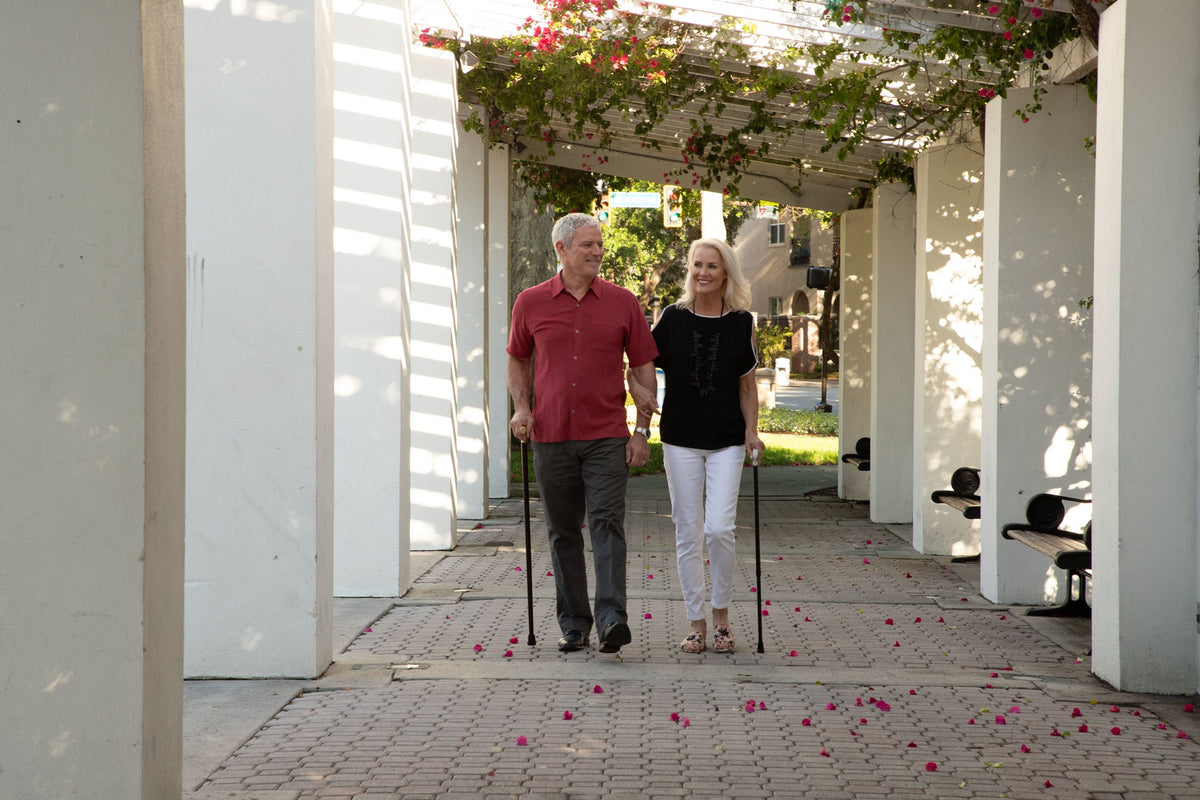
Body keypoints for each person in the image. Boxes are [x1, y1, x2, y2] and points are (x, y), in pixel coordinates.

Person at [507, 212, 659, 654]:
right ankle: (575, 624)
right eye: (587, 245)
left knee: (608, 524)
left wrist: (642, 431)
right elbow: (518, 359)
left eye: (599, 245)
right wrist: (521, 408)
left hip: (606, 436)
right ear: (561, 249)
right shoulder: (530, 302)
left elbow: (643, 365)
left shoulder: (623, 302)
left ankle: (612, 619)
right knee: (563, 532)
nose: (597, 252)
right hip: (550, 436)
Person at [636, 237, 762, 654]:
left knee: (720, 529)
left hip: (727, 440)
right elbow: (640, 362)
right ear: (689, 270)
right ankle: (697, 623)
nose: (703, 273)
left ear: (725, 272)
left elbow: (748, 386)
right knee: (687, 532)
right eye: (697, 265)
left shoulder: (742, 321)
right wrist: (637, 391)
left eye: (711, 266)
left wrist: (752, 431)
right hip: (680, 439)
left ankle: (722, 614)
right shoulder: (673, 317)